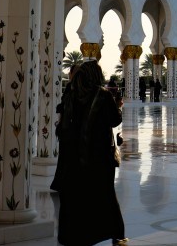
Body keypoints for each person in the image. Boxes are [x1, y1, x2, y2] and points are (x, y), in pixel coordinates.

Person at [57, 60, 127, 246]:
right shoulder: (102, 96)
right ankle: (116, 234)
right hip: (99, 157)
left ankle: (73, 236)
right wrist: (119, 105)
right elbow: (114, 120)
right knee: (105, 195)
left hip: (73, 157)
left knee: (78, 196)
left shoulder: (71, 95)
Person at [50, 64, 80, 193]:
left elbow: (64, 107)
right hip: (74, 128)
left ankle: (62, 182)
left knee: (65, 156)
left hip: (68, 128)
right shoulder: (81, 89)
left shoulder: (71, 87)